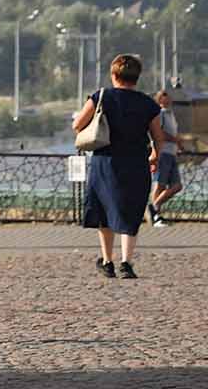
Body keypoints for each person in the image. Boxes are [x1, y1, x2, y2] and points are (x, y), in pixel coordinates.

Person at [72, 55, 166, 278]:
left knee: (104, 210)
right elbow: (158, 137)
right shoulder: (147, 103)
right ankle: (127, 262)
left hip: (105, 161)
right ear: (137, 77)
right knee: (131, 210)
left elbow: (77, 125)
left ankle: (107, 261)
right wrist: (155, 155)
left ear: (114, 75)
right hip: (136, 163)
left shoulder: (102, 96)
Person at [148, 89, 182, 228]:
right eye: (164, 97)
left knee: (177, 186)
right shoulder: (160, 114)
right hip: (163, 153)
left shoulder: (171, 114)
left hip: (172, 153)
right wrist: (174, 139)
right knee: (159, 184)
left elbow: (173, 133)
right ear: (159, 100)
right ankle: (156, 216)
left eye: (168, 97)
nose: (167, 100)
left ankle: (154, 207)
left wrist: (178, 145)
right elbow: (158, 132)